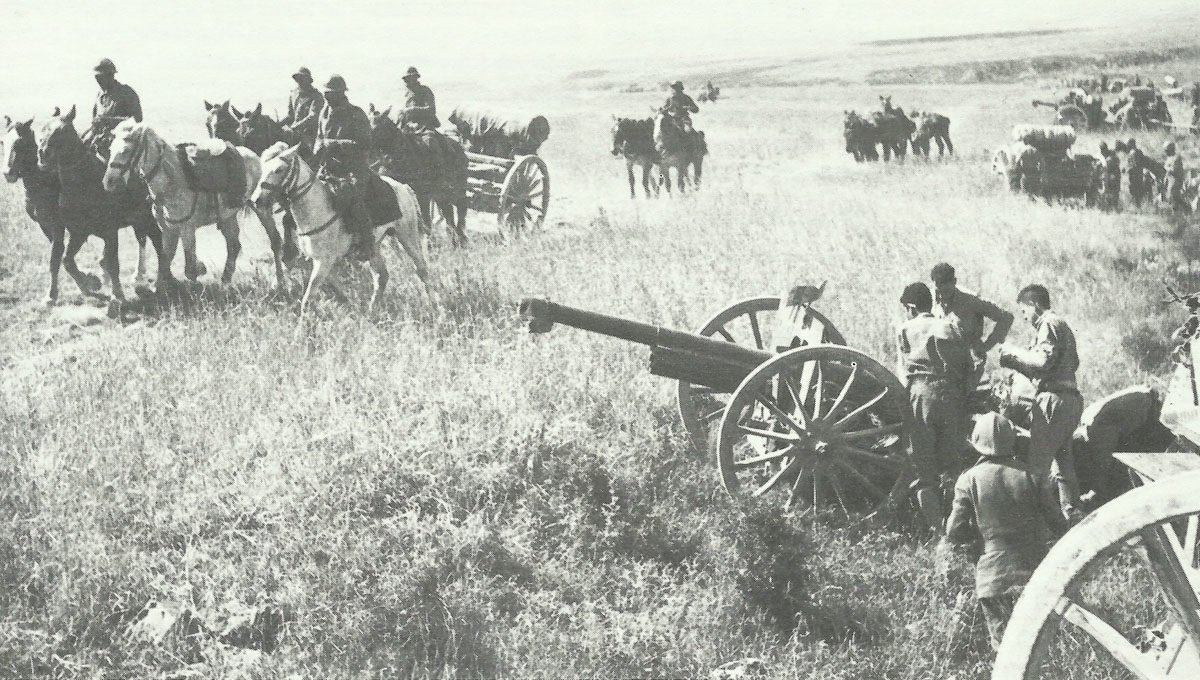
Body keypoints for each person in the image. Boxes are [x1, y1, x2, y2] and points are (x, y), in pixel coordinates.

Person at [944, 412, 1062, 651]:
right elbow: (1059, 525)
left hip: (992, 576)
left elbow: (954, 532)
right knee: (1041, 648)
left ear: (976, 442)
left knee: (1005, 649)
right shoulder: (1032, 476)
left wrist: (978, 542)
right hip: (1035, 573)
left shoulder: (968, 480)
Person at [998, 284, 1084, 523]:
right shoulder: (1061, 326)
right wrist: (1015, 365)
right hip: (1068, 400)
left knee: (1038, 468)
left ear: (1033, 305)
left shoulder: (1048, 323)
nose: (1024, 318)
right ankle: (1072, 515)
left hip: (1053, 402)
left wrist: (1014, 352)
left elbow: (1043, 361)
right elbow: (1066, 364)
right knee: (1064, 464)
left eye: (1024, 311)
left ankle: (1037, 525)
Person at [897, 282, 975, 529]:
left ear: (910, 307)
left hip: (922, 395)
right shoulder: (951, 327)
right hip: (952, 395)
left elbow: (902, 374)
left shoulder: (906, 328)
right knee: (953, 467)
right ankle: (958, 529)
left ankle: (939, 533)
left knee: (923, 471)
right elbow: (968, 368)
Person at [1072, 385, 1174, 508]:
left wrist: (1096, 492)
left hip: (1152, 416)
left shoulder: (1097, 430)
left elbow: (1103, 463)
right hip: (1143, 406)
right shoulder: (1089, 420)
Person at [313, 74, 374, 261]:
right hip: (328, 167)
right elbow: (319, 136)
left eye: (331, 94)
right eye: (325, 93)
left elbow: (365, 143)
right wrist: (318, 145)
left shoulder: (356, 114)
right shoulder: (324, 113)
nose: (327, 97)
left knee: (351, 195)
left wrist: (336, 144)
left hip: (353, 168)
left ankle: (366, 243)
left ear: (340, 94)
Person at [930, 263, 1014, 392]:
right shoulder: (933, 303)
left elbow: (1006, 317)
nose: (941, 290)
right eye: (938, 285)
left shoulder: (970, 301)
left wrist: (988, 344)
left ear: (954, 282)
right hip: (945, 368)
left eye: (945, 285)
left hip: (970, 368)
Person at [87, 58, 143, 158]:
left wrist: (108, 120)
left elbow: (137, 120)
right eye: (96, 78)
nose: (98, 81)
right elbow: (94, 122)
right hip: (101, 141)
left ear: (110, 76)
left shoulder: (126, 92)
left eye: (100, 78)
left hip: (123, 144)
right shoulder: (99, 96)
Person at [280, 67, 325, 155]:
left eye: (302, 78)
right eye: (298, 78)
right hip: (293, 134)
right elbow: (290, 115)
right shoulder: (293, 94)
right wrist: (278, 125)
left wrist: (294, 128)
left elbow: (313, 117)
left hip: (310, 136)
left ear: (308, 80)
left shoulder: (317, 96)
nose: (299, 81)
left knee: (312, 156)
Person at [400, 66, 440, 132]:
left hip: (425, 126)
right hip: (408, 127)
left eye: (408, 78)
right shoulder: (406, 94)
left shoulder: (425, 90)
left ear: (415, 78)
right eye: (405, 79)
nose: (406, 81)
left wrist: (413, 109)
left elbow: (431, 110)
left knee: (429, 139)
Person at [1165, 141, 1188, 213]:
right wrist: (1166, 178)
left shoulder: (1176, 158)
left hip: (1176, 181)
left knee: (1174, 197)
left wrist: (1166, 167)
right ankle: (1186, 208)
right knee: (1175, 198)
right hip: (1171, 180)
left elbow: (1174, 170)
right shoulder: (1169, 158)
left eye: (1166, 150)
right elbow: (1168, 171)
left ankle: (1175, 213)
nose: (1165, 152)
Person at [1100, 141, 1121, 211]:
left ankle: (1112, 208)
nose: (1101, 151)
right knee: (1110, 193)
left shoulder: (1110, 158)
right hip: (1111, 176)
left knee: (1112, 193)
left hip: (1112, 177)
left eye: (1102, 149)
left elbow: (1111, 167)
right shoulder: (1110, 156)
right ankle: (1111, 207)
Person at [1126, 138, 1148, 207]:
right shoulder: (1138, 151)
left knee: (1135, 191)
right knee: (1137, 190)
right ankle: (1138, 205)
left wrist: (1129, 169)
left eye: (1128, 144)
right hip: (1138, 174)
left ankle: (1137, 206)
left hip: (1135, 175)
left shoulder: (1133, 152)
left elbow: (1135, 164)